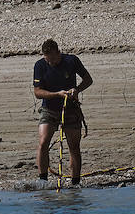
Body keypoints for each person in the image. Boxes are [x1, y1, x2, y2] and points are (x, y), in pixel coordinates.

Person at [34, 39, 93, 187]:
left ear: (58, 53)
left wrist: (77, 89)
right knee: (43, 143)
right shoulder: (40, 65)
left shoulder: (71, 60)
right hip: (49, 109)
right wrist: (57, 94)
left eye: (53, 59)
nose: (51, 62)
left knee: (74, 146)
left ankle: (75, 183)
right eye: (48, 59)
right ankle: (43, 180)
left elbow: (88, 79)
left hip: (71, 109)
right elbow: (37, 92)